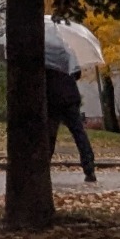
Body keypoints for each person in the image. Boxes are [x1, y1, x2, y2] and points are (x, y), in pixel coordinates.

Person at [44, 19, 99, 183]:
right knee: (79, 133)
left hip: (52, 98)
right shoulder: (66, 50)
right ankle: (89, 168)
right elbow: (77, 73)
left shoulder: (43, 52)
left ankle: (44, 168)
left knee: (50, 135)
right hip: (70, 96)